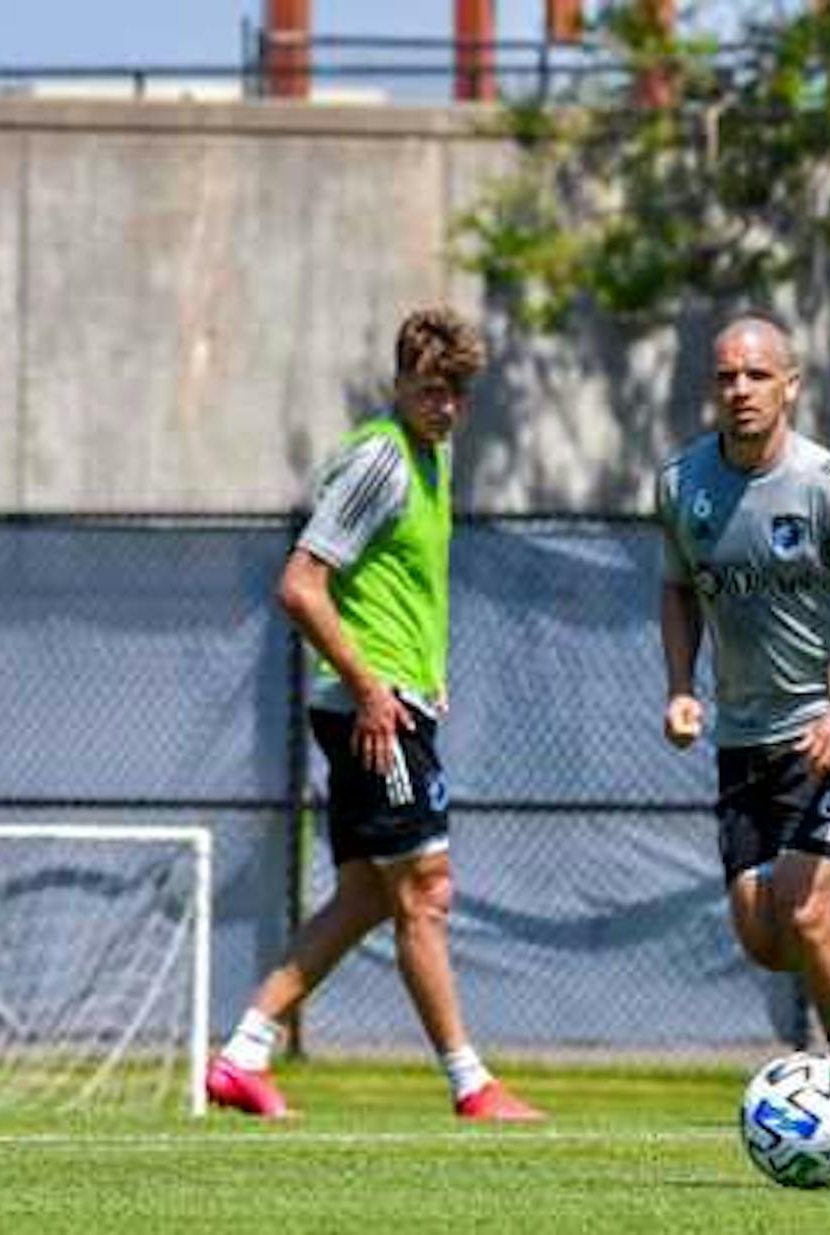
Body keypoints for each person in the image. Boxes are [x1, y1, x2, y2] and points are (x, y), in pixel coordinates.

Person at [207, 307, 542, 1121]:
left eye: (460, 392)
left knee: (364, 894)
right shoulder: (381, 462)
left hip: (397, 700)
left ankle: (242, 1056)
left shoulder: (435, 454)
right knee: (425, 891)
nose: (448, 406)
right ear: (400, 382)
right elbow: (301, 585)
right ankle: (472, 1083)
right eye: (432, 389)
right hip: (373, 709)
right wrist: (371, 686)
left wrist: (424, 676)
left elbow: (400, 588)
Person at [655, 312, 830, 1113]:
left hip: (828, 733)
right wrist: (680, 684)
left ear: (791, 386)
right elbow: (676, 587)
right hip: (742, 739)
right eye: (726, 377)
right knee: (766, 939)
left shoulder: (827, 485)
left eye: (757, 375)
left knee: (807, 912)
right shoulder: (682, 484)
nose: (740, 390)